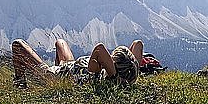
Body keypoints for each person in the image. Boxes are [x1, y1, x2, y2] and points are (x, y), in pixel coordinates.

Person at [12, 39, 143, 88]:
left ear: (113, 67)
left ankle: (20, 83)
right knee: (60, 42)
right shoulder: (129, 74)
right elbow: (138, 44)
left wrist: (113, 72)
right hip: (72, 66)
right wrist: (132, 63)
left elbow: (100, 48)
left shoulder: (100, 73)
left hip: (54, 76)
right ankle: (60, 68)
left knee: (17, 44)